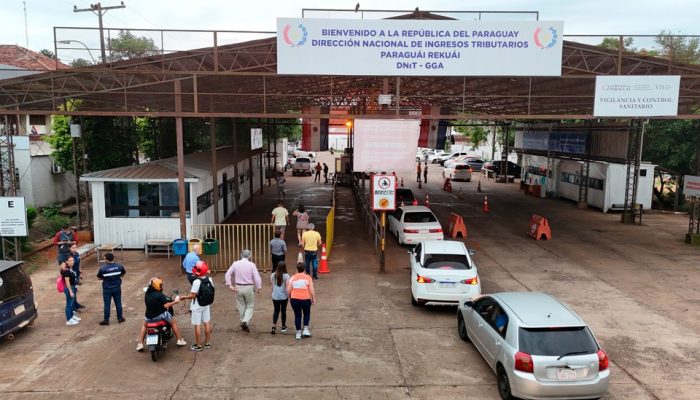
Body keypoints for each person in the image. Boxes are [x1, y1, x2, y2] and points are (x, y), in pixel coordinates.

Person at [136, 277, 187, 351]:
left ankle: (140, 343)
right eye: (160, 285)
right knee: (173, 323)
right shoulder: (160, 295)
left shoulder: (147, 294)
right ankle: (179, 340)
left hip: (149, 316)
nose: (161, 286)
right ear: (157, 286)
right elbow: (166, 306)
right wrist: (175, 302)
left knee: (144, 325)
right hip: (160, 316)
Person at [179, 261, 214, 351]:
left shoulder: (196, 282)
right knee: (207, 323)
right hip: (206, 304)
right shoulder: (210, 280)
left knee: (197, 325)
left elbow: (193, 295)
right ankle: (207, 343)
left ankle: (198, 345)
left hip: (197, 305)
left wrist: (184, 297)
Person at [224, 249, 262, 333]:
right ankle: (245, 321)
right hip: (249, 287)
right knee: (250, 305)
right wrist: (259, 287)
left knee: (241, 305)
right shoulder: (252, 265)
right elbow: (257, 277)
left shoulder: (235, 264)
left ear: (241, 255)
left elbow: (227, 274)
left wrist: (230, 285)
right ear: (249, 256)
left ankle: (243, 321)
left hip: (238, 287)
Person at [287, 262, 316, 340]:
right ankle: (305, 329)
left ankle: (298, 332)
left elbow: (288, 289)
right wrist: (313, 298)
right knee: (307, 313)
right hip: (306, 299)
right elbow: (311, 289)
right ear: (304, 269)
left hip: (295, 299)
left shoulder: (292, 277)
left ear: (297, 269)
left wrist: (289, 297)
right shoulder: (308, 278)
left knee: (297, 315)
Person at [96, 252, 126, 325]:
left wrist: (106, 277)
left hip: (107, 289)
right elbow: (123, 274)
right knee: (118, 303)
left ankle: (106, 320)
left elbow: (98, 277)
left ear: (106, 259)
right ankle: (120, 318)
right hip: (117, 288)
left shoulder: (103, 268)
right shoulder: (119, 266)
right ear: (113, 258)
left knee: (107, 305)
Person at [270, 261, 290, 335]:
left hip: (275, 296)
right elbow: (288, 287)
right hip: (283, 297)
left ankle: (273, 326)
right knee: (283, 311)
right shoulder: (286, 276)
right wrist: (289, 296)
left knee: (276, 310)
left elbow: (272, 286)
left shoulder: (272, 275)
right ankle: (283, 326)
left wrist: (272, 293)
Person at [60, 259, 80, 326]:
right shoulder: (66, 271)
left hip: (73, 287)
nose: (72, 262)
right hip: (69, 288)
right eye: (70, 261)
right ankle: (69, 319)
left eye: (73, 260)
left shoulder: (70, 269)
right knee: (69, 304)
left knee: (72, 303)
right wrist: (70, 291)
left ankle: (72, 316)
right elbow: (67, 282)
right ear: (66, 262)